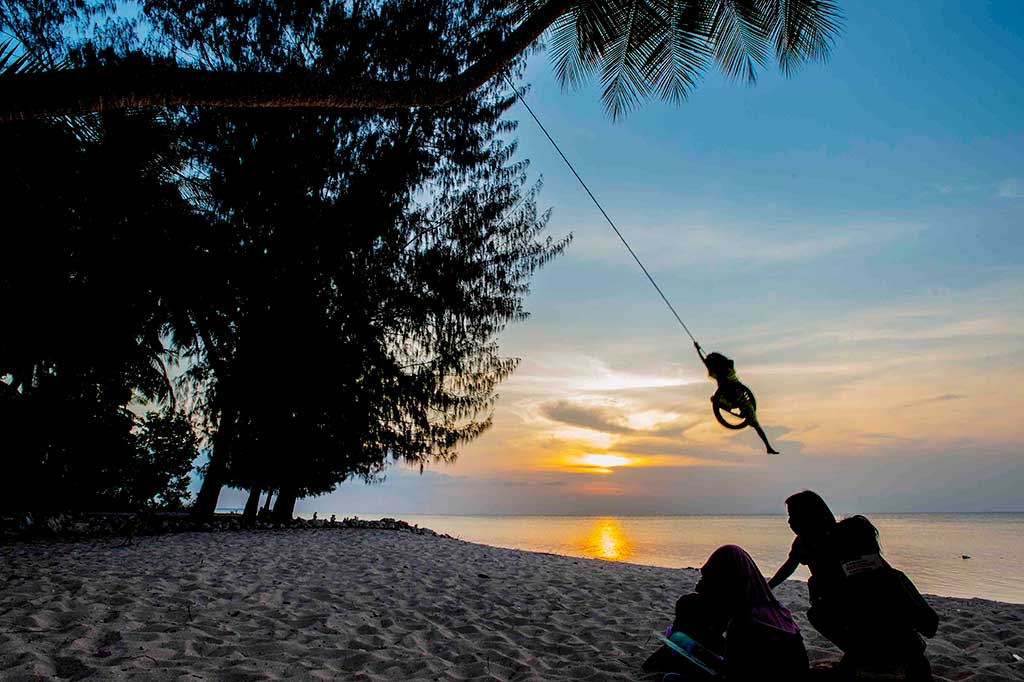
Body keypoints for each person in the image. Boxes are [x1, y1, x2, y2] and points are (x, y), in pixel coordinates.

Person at [646, 545, 809, 680]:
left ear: (724, 583)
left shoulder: (745, 623)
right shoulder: (778, 612)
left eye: (709, 579)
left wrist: (700, 654)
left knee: (670, 677)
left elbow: (731, 672)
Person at [814, 515, 939, 681]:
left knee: (816, 613)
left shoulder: (832, 586)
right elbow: (930, 626)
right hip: (906, 659)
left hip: (861, 657)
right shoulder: (894, 579)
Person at [697, 346, 779, 454]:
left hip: (738, 398)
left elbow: (706, 363)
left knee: (755, 424)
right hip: (733, 398)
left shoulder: (722, 371)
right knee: (755, 424)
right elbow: (707, 363)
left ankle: (768, 447)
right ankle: (768, 447)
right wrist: (699, 351)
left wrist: (699, 351)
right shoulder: (726, 368)